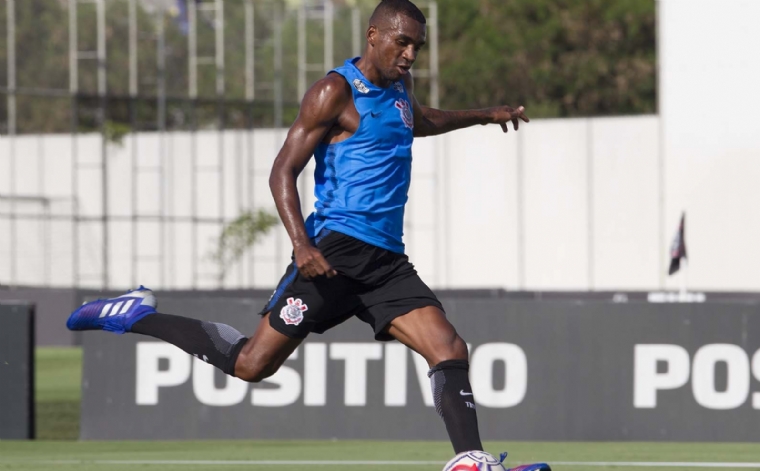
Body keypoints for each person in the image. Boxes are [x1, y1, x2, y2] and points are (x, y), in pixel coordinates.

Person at [67, 1, 547, 469]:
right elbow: (283, 171)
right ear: (373, 36)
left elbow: (418, 122)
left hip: (385, 262)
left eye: (417, 47)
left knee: (449, 347)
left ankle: (471, 461)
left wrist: (484, 114)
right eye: (402, 43)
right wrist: (301, 245)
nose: (410, 55)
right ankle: (135, 316)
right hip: (334, 252)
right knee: (252, 364)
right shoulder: (333, 91)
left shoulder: (401, 86)